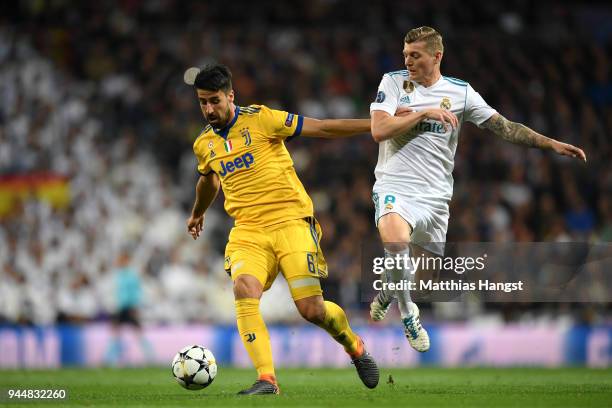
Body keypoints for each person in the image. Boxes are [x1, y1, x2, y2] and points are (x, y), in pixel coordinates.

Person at [368, 26, 587, 353]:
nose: (408, 61)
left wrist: (549, 143)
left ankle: (389, 290)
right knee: (395, 239)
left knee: (420, 278)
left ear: (436, 56)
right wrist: (423, 113)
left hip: (435, 196)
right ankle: (409, 313)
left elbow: (505, 127)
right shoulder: (393, 82)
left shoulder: (461, 93)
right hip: (395, 184)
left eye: (415, 55)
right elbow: (379, 129)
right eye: (405, 55)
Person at [184, 63, 379, 395]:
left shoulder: (262, 119)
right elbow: (208, 179)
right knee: (244, 289)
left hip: (291, 222)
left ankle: (353, 344)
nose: (208, 109)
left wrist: (377, 126)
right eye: (202, 102)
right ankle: (267, 379)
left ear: (231, 95)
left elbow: (323, 128)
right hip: (247, 230)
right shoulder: (204, 143)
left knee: (311, 310)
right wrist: (197, 212)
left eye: (214, 100)